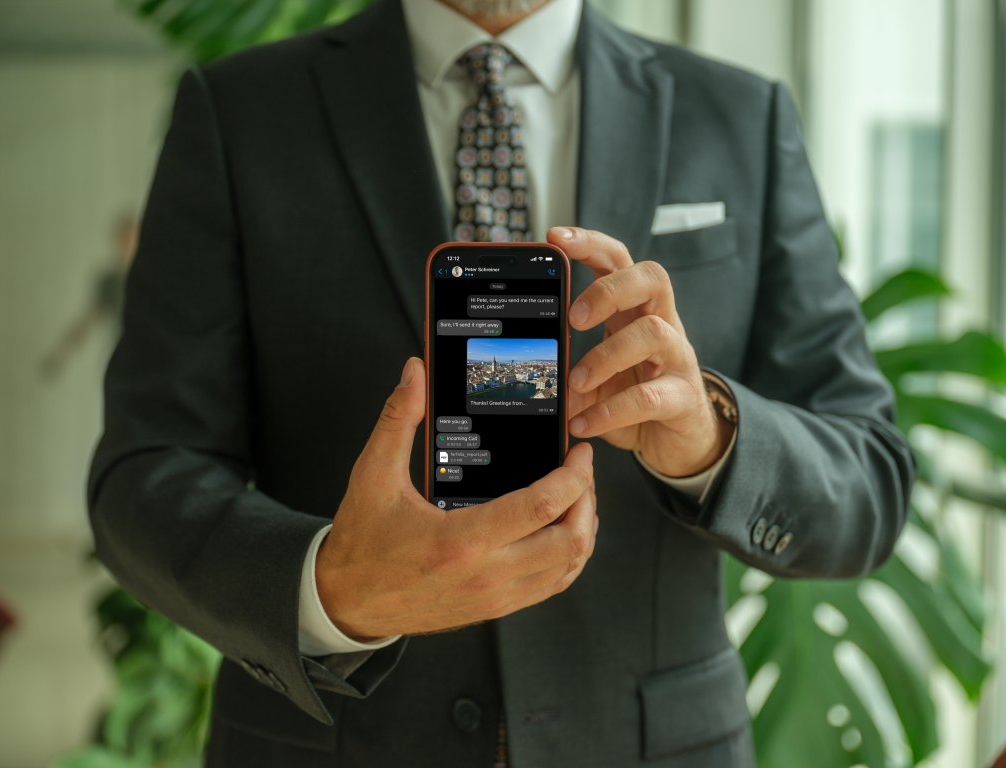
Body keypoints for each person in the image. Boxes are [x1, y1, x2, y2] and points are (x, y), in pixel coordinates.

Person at [87, 0, 915, 765]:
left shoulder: (738, 115)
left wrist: (710, 437)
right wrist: (327, 588)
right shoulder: (241, 111)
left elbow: (869, 478)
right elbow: (144, 472)